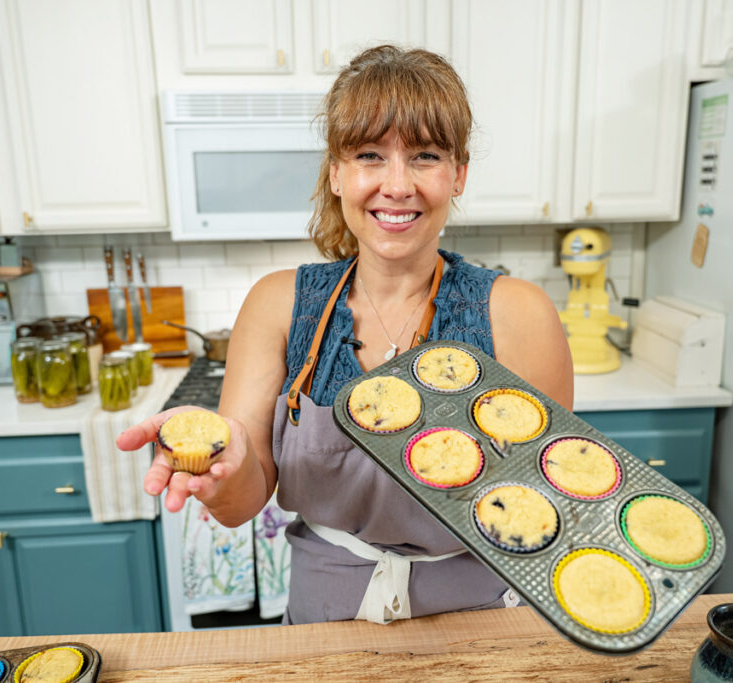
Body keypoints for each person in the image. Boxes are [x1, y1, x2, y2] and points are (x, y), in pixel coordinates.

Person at [117, 45, 573, 625]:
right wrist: (221, 469)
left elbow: (553, 501)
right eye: (370, 155)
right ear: (337, 173)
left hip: (481, 615)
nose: (397, 185)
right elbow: (240, 504)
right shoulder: (279, 305)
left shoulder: (518, 313)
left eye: (426, 156)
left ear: (458, 174)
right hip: (323, 615)